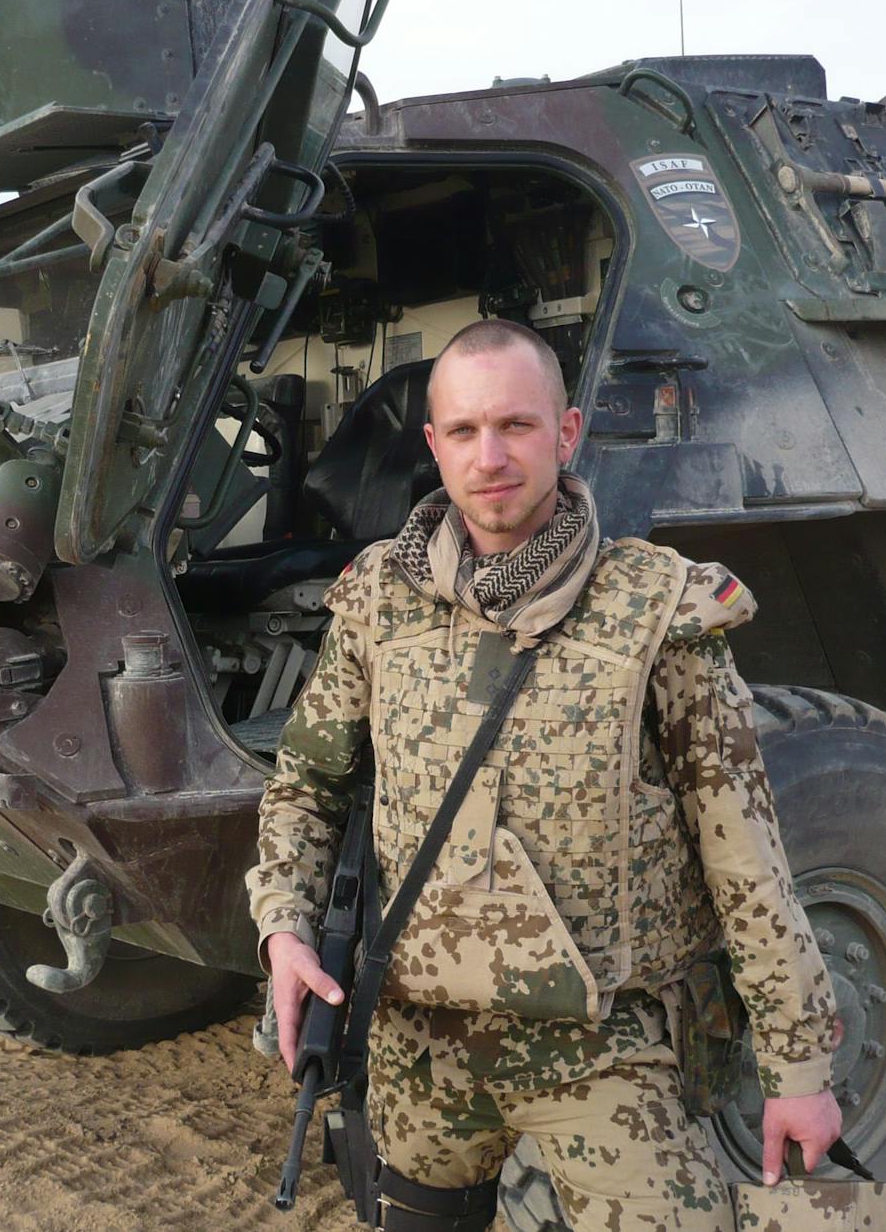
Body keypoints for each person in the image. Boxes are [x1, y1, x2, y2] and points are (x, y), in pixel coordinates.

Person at [246, 318, 840, 1229]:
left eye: (518, 426)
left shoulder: (657, 610)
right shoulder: (377, 599)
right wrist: (284, 928)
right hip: (421, 1049)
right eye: (468, 431)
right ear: (434, 445)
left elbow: (745, 857)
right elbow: (307, 781)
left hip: (606, 1051)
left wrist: (798, 1070)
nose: (492, 456)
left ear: (565, 435)